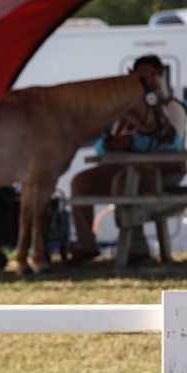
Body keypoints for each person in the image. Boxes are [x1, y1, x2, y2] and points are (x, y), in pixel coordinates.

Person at [69, 54, 187, 264]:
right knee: (81, 182)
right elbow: (103, 147)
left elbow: (171, 145)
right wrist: (111, 143)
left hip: (163, 172)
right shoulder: (128, 112)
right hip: (127, 169)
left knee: (122, 183)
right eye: (138, 75)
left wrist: (133, 142)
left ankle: (137, 249)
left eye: (148, 76)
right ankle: (86, 244)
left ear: (158, 76)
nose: (143, 80)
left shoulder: (171, 107)